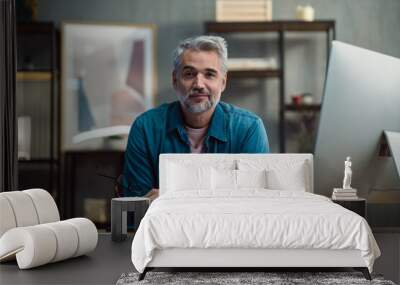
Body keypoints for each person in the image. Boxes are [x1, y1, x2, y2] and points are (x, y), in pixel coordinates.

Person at [122, 35, 269, 199]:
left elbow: (253, 202)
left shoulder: (249, 128)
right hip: (165, 225)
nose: (199, 84)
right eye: (189, 74)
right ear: (175, 80)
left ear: (223, 82)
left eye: (210, 74)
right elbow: (137, 205)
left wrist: (172, 199)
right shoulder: (145, 128)